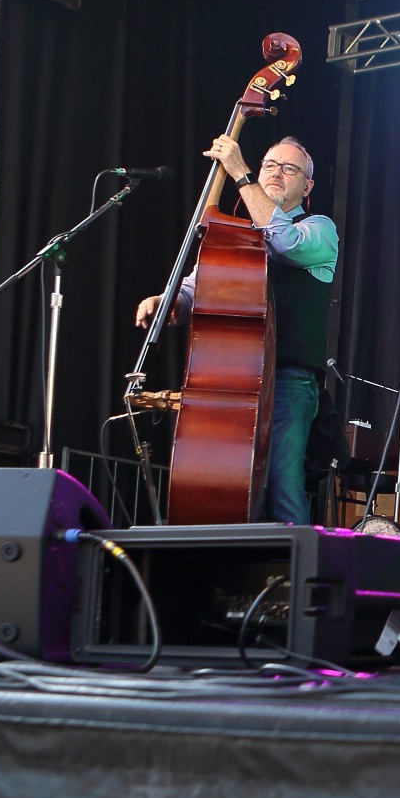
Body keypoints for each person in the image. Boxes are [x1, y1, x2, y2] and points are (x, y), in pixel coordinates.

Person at [135, 134, 337, 525]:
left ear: (307, 186)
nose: (277, 174)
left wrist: (241, 174)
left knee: (281, 480)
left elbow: (285, 244)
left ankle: (293, 574)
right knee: (220, 476)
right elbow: (199, 283)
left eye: (290, 169)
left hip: (288, 379)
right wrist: (170, 300)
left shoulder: (320, 229)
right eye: (270, 166)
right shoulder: (235, 233)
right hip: (231, 377)